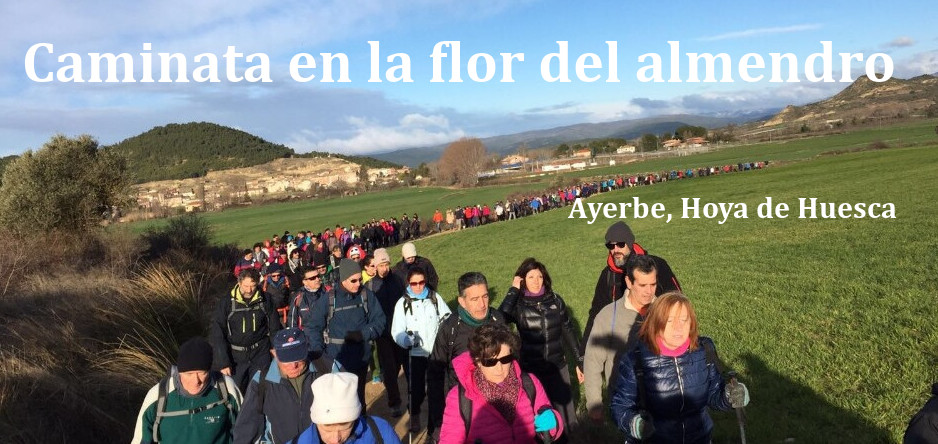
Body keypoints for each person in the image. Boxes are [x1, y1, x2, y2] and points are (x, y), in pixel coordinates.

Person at [610, 292, 749, 444]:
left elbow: (713, 395)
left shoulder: (704, 350)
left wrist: (730, 396)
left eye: (684, 320)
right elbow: (620, 407)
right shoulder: (635, 359)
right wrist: (635, 424)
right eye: (670, 321)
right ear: (656, 323)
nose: (678, 327)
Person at [578, 221, 681, 379]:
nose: (615, 250)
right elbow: (595, 316)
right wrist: (584, 355)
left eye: (620, 244)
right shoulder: (607, 276)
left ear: (630, 243)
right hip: (624, 351)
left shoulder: (657, 265)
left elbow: (678, 302)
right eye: (611, 246)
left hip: (658, 344)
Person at [439, 323, 564, 444]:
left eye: (505, 359)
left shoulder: (529, 383)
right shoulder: (458, 398)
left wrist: (554, 421)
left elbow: (549, 432)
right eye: (490, 362)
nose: (499, 369)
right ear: (477, 361)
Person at [498, 258, 580, 438]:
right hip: (532, 371)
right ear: (522, 280)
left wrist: (579, 360)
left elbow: (568, 329)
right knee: (540, 419)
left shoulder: (555, 300)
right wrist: (513, 291)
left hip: (558, 367)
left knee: (566, 419)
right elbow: (499, 320)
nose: (536, 281)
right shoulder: (518, 304)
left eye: (539, 276)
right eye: (530, 277)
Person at [426, 272, 506, 442]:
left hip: (498, 407)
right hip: (464, 409)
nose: (483, 304)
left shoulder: (497, 319)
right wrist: (439, 420)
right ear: (461, 301)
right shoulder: (450, 329)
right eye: (474, 299)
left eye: (485, 296)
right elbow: (435, 376)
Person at [583, 255, 658, 424]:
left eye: (653, 284)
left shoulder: (664, 310)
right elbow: (593, 361)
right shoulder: (608, 315)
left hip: (660, 396)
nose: (649, 291)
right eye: (642, 285)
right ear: (629, 282)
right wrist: (594, 404)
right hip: (624, 403)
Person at [233, 328, 337, 444]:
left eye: (298, 357)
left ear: (306, 349)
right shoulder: (261, 381)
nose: (293, 365)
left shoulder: (327, 368)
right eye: (286, 359)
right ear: (274, 353)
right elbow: (246, 429)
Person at [132, 337, 243, 444]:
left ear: (209, 370)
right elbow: (140, 440)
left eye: (201, 373)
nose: (196, 381)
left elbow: (246, 430)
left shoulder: (226, 388)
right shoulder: (158, 395)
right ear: (179, 372)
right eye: (189, 374)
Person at [307, 258, 386, 406]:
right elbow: (314, 327)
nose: (358, 284)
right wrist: (319, 355)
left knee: (359, 403)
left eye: (360, 280)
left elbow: (380, 321)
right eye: (353, 281)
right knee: (341, 405)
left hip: (361, 359)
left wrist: (362, 334)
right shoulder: (329, 300)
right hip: (336, 362)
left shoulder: (366, 295)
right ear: (343, 280)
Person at [391, 266, 452, 433]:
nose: (418, 286)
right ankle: (415, 413)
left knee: (436, 389)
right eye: (414, 283)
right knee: (416, 390)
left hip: (435, 353)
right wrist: (406, 339)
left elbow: (447, 318)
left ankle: (437, 423)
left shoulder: (434, 297)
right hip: (414, 354)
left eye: (422, 282)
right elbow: (396, 331)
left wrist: (444, 335)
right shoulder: (402, 303)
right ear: (408, 283)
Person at [211, 268, 282, 393]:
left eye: (253, 286)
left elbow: (274, 326)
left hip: (260, 353)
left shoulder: (266, 299)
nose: (249, 290)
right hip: (236, 357)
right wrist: (223, 362)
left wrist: (276, 347)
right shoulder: (226, 302)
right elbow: (218, 333)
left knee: (261, 390)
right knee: (237, 391)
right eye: (246, 286)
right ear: (239, 283)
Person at [288, 372, 401, 444]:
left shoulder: (381, 431)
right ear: (316, 420)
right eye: (327, 428)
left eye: (345, 427)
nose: (336, 439)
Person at [366, 248, 408, 418]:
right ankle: (394, 402)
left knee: (408, 367)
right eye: (380, 265)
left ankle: (415, 399)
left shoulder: (398, 280)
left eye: (386, 264)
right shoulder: (369, 286)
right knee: (390, 370)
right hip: (383, 334)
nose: (384, 268)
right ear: (375, 266)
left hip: (402, 330)